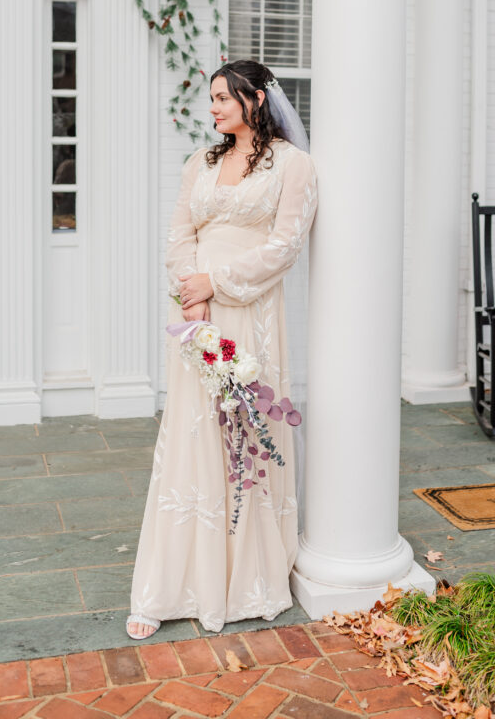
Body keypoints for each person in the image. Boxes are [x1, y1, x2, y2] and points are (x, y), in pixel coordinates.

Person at [126, 60, 317, 639]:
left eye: (221, 98)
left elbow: (286, 247)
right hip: (195, 313)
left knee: (242, 428)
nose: (211, 108)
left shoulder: (294, 165)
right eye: (211, 99)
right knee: (191, 433)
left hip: (249, 311)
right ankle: (173, 582)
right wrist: (190, 289)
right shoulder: (199, 164)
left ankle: (244, 579)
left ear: (255, 98)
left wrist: (219, 282)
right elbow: (179, 235)